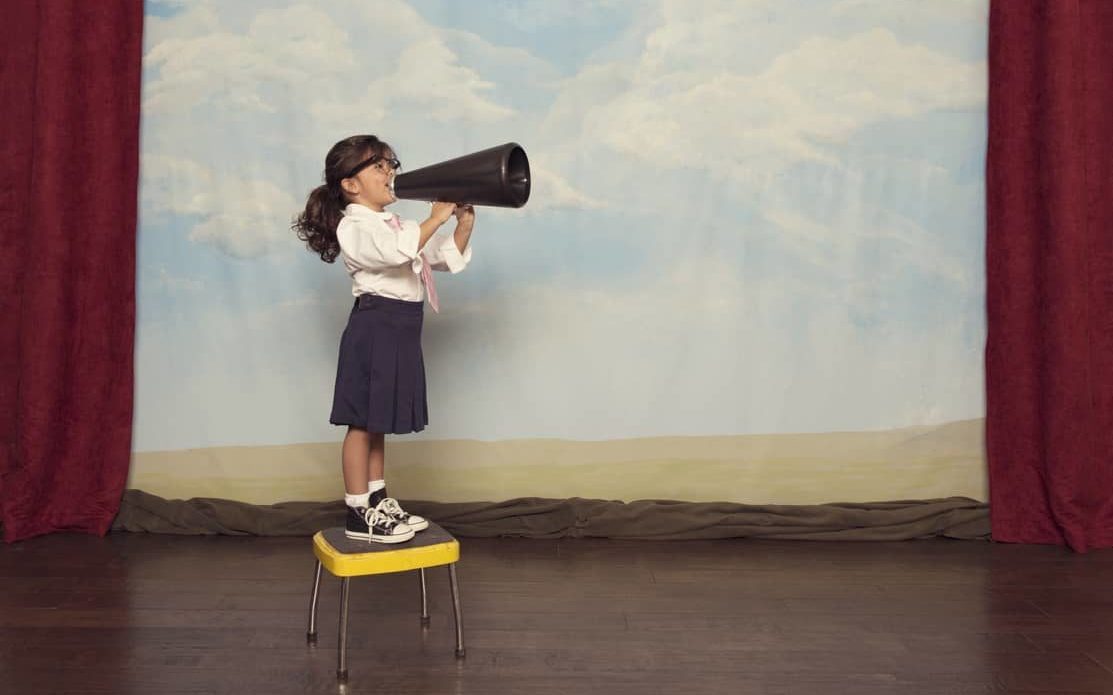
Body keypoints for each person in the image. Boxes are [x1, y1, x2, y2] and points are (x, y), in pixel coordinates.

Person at [293, 135, 475, 543]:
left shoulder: (399, 226)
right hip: (375, 327)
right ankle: (357, 510)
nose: (390, 172)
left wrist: (462, 223)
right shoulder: (355, 225)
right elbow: (396, 253)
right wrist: (435, 218)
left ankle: (378, 501)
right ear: (350, 184)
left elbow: (439, 260)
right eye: (378, 166)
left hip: (402, 327)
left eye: (391, 163)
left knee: (378, 422)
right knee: (361, 422)